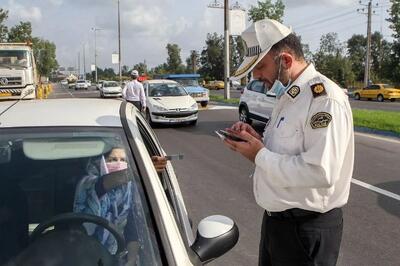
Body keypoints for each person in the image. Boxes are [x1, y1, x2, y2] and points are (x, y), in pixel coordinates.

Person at [224, 19, 354, 266]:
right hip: (279, 224)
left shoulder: (323, 99)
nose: (256, 76)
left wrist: (258, 155)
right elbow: (287, 149)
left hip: (305, 230)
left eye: (260, 67)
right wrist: (256, 139)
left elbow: (320, 171)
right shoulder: (291, 94)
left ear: (285, 60)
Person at [73, 147, 167, 263]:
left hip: (114, 256)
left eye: (123, 160)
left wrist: (131, 260)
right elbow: (103, 184)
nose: (118, 164)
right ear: (100, 161)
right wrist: (139, 170)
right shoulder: (87, 183)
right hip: (81, 254)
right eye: (112, 160)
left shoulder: (129, 188)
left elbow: (132, 228)